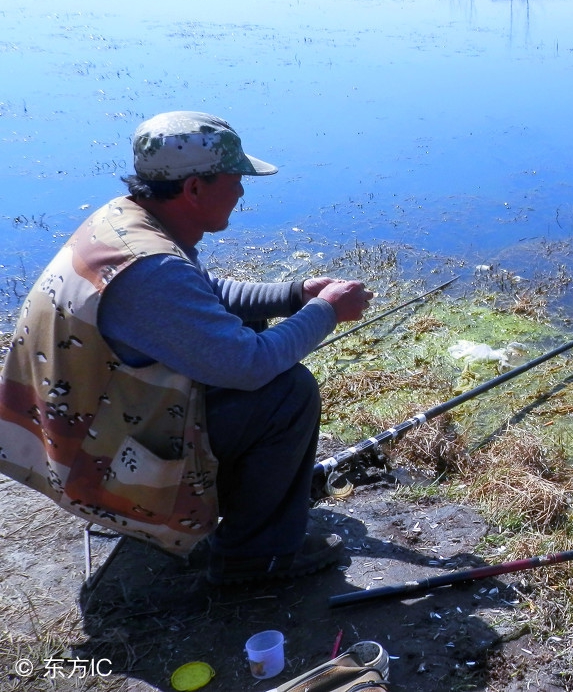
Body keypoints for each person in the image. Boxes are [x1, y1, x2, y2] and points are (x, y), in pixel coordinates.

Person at [0, 111, 373, 585]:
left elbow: (198, 294)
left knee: (247, 326)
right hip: (96, 470)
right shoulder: (151, 271)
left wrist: (295, 293)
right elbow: (250, 366)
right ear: (195, 188)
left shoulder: (125, 220)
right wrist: (325, 312)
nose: (241, 192)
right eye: (236, 179)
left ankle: (230, 509)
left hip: (75, 440)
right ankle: (256, 559)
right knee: (287, 392)